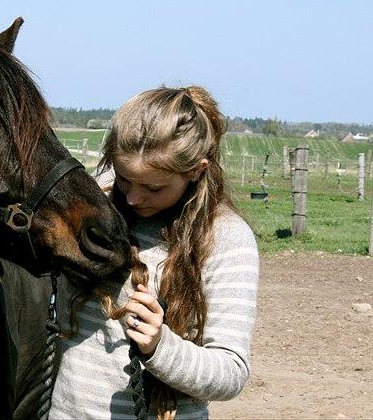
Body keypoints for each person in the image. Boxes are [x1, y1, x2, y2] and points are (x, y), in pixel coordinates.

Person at [49, 86, 259, 419]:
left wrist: (160, 346)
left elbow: (230, 373)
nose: (133, 197)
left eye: (154, 187)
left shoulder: (225, 238)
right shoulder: (94, 207)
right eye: (124, 179)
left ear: (196, 171)